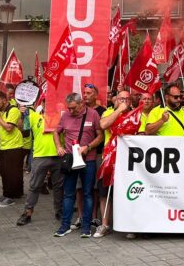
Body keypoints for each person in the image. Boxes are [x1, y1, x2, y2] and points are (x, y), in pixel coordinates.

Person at [54, 93, 103, 238]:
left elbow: (100, 135)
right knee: (68, 193)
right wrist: (58, 146)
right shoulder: (65, 116)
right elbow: (56, 133)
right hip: (70, 160)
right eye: (69, 108)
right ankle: (65, 225)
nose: (71, 111)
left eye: (73, 108)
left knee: (87, 193)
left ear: (81, 103)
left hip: (88, 159)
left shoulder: (93, 114)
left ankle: (86, 227)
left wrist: (88, 147)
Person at [16, 104, 63, 226]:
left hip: (59, 155)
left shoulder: (62, 116)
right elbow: (24, 131)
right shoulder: (33, 116)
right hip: (39, 156)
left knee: (58, 187)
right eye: (45, 101)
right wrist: (22, 116)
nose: (49, 103)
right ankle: (27, 213)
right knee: (34, 186)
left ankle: (59, 211)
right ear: (42, 103)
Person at [95, 90, 133, 237]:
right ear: (115, 100)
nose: (124, 101)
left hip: (128, 161)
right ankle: (105, 224)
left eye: (127, 99)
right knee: (104, 193)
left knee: (127, 193)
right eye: (121, 98)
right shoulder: (108, 113)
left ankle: (129, 225)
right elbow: (103, 125)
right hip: (109, 158)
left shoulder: (136, 114)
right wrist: (119, 110)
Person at [0, 90, 24, 207]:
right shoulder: (1, 112)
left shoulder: (13, 110)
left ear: (4, 100)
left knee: (11, 173)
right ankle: (6, 194)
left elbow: (9, 127)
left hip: (14, 147)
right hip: (4, 146)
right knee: (3, 171)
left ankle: (10, 196)